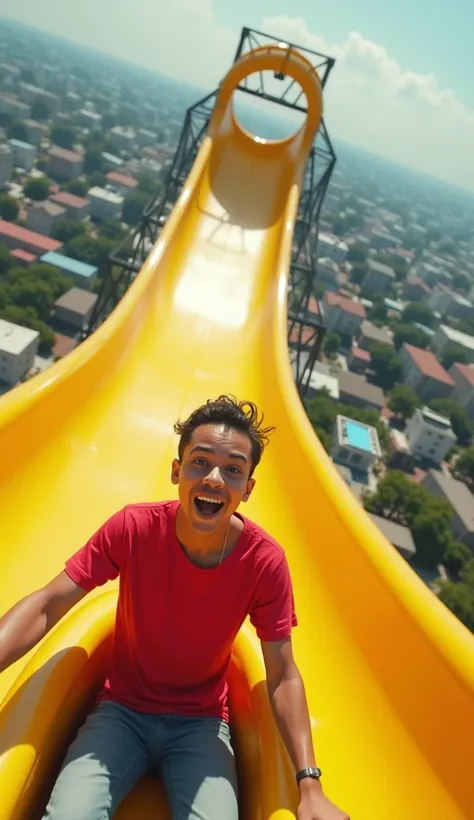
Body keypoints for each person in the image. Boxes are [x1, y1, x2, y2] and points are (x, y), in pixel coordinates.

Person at [0, 395, 349, 820]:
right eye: (200, 462)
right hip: (122, 711)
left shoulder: (264, 563)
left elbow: (282, 673)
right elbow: (48, 602)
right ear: (176, 470)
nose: (215, 479)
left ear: (248, 489)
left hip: (201, 725)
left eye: (234, 470)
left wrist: (309, 784)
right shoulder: (134, 528)